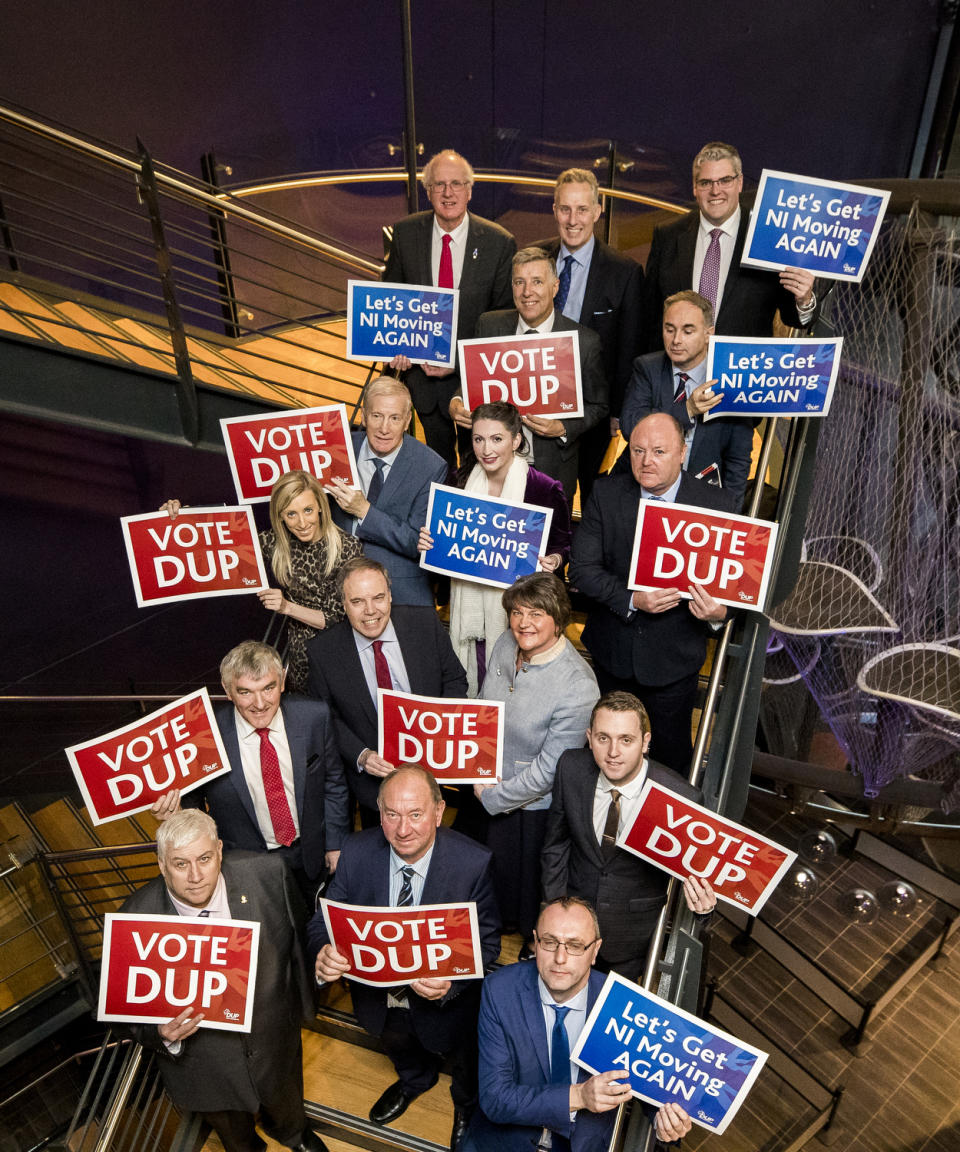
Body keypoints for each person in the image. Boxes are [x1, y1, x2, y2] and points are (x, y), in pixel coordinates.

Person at [309, 766, 500, 1149]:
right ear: (380, 813)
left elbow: (488, 941)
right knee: (397, 1040)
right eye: (392, 814)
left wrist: (452, 983)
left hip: (449, 1004)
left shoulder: (472, 863)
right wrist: (323, 951)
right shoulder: (357, 852)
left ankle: (465, 1105)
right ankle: (416, 1079)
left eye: (415, 814)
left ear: (438, 810)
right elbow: (324, 919)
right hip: (380, 997)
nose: (403, 829)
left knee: (466, 1059)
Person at [118, 810, 325, 1152]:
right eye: (180, 864)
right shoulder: (133, 918)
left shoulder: (268, 873)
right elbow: (118, 1013)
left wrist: (304, 1009)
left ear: (218, 850)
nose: (196, 876)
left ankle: (294, 1135)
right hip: (202, 1062)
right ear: (161, 864)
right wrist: (159, 1034)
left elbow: (298, 942)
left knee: (285, 1100)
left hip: (273, 1037)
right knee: (234, 1134)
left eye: (204, 858)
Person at [570, 413, 736, 773]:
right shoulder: (606, 493)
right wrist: (632, 599)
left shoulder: (718, 506)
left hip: (674, 665)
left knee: (669, 765)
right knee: (604, 760)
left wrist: (719, 614)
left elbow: (739, 592)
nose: (646, 461)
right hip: (612, 657)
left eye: (659, 451)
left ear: (682, 452)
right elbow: (582, 569)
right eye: (638, 450)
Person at [462, 897, 692, 1152]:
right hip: (504, 1143)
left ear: (594, 951)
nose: (560, 958)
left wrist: (665, 1123)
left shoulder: (622, 1005)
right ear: (536, 943)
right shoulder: (500, 990)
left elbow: (653, 1095)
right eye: (550, 942)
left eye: (575, 945)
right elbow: (496, 1099)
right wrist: (579, 1096)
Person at [153, 641, 350, 908]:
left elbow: (333, 783)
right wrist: (174, 816)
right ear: (227, 690)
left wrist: (335, 843)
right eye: (245, 692)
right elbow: (193, 807)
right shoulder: (204, 736)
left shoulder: (314, 716)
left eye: (268, 688)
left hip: (312, 856)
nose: (259, 704)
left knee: (314, 930)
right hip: (244, 866)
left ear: (281, 682)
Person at [542, 692, 716, 981]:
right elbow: (555, 846)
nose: (613, 752)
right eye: (603, 738)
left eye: (626, 740)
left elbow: (698, 875)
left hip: (629, 938)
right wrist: (553, 912)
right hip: (569, 928)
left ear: (646, 742)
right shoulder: (570, 768)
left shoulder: (680, 797)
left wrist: (704, 909)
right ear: (589, 737)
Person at [475, 573, 598, 953]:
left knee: (520, 894)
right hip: (485, 784)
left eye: (536, 614)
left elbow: (549, 772)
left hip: (530, 810)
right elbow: (481, 709)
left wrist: (492, 796)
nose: (523, 623)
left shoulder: (578, 685)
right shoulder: (503, 644)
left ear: (558, 618)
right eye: (516, 612)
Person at [417, 401, 572, 695]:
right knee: (471, 681)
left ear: (516, 440)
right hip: (469, 615)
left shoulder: (544, 487)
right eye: (478, 439)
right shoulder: (459, 480)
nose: (486, 449)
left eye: (497, 439)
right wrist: (428, 540)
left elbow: (562, 542)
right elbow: (445, 537)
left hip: (518, 615)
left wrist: (554, 558)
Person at [162, 470, 362, 694]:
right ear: (280, 517)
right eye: (291, 514)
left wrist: (286, 606)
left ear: (320, 507)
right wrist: (183, 519)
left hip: (341, 658)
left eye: (307, 510)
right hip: (301, 663)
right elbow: (219, 545)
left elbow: (338, 618)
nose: (303, 522)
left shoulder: (348, 547)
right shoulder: (274, 543)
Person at [305, 556, 467, 824]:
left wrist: (440, 729)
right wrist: (361, 755)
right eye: (357, 602)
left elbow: (454, 679)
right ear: (343, 604)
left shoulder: (424, 623)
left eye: (378, 597)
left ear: (390, 595)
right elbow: (325, 717)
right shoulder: (323, 652)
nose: (370, 610)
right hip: (373, 784)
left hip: (433, 770)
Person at [384, 149, 517, 468]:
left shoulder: (499, 243)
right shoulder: (405, 233)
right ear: (426, 190)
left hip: (477, 386)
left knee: (480, 471)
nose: (448, 193)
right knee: (437, 469)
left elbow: (503, 322)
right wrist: (394, 346)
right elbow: (391, 298)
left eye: (456, 183)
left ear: (470, 190)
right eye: (439, 184)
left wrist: (457, 362)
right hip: (423, 384)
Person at [454, 247, 608, 508]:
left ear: (555, 286)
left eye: (537, 282)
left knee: (547, 546)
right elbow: (471, 383)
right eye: (519, 282)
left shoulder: (584, 342)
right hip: (489, 468)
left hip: (550, 471)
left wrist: (564, 428)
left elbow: (599, 406)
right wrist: (457, 400)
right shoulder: (489, 325)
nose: (527, 292)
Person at [640, 141, 818, 352]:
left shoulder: (768, 236)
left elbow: (794, 318)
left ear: (740, 182)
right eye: (706, 182)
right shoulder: (667, 236)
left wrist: (804, 299)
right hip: (679, 375)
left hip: (739, 373)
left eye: (725, 180)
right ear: (695, 188)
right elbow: (650, 316)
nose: (716, 191)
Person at [535, 168, 644, 503]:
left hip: (592, 412)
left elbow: (629, 348)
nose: (573, 219)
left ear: (597, 212)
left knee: (594, 497)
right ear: (554, 210)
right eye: (565, 209)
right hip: (537, 407)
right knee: (542, 495)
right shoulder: (534, 260)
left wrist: (617, 413)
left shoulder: (625, 272)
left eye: (582, 209)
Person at [620, 290, 755, 507]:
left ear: (708, 334)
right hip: (640, 489)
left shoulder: (729, 379)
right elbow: (630, 426)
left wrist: (729, 516)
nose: (676, 340)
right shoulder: (647, 368)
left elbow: (737, 461)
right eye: (669, 329)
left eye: (687, 331)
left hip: (700, 496)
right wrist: (687, 410)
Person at [325, 376, 447, 606]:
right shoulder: (338, 448)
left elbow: (417, 542)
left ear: (407, 420)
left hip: (396, 584)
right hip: (331, 578)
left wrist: (364, 511)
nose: (384, 428)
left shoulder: (430, 466)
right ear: (364, 415)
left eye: (394, 418)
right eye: (377, 416)